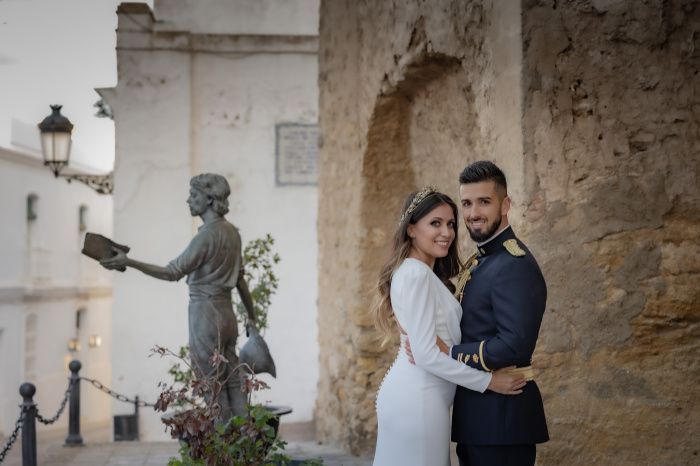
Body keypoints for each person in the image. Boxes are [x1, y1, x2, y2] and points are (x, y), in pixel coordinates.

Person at [371, 187, 526, 466]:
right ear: (411, 229)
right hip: (418, 400)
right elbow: (427, 355)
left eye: (451, 224)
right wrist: (489, 382)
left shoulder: (420, 273)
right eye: (435, 223)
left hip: (423, 398)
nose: (447, 232)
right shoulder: (416, 274)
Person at [411, 161, 549, 466]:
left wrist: (451, 353)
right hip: (478, 417)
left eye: (484, 202)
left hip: (502, 418)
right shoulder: (482, 261)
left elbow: (515, 344)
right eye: (467, 203)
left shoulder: (514, 264)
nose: (473, 213)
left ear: (505, 204)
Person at [100, 173, 256, 421]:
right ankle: (244, 445)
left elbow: (172, 272)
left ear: (208, 199)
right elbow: (239, 279)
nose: (188, 200)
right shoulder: (232, 233)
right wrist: (252, 317)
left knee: (211, 386)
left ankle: (223, 450)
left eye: (193, 195)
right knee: (232, 381)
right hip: (228, 314)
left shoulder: (206, 236)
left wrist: (128, 261)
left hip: (205, 315)